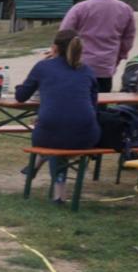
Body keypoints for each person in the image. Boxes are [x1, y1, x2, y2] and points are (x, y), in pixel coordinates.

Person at [15, 30, 112, 204]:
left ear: (54, 47)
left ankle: (57, 190)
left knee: (54, 136)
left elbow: (21, 96)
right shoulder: (88, 71)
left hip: (49, 134)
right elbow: (92, 104)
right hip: (87, 135)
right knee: (62, 132)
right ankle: (50, 182)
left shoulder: (43, 67)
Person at [59, 0, 138, 94]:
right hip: (106, 66)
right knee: (101, 104)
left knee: (77, 102)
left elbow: (64, 33)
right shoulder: (125, 9)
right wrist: (120, 56)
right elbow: (128, 38)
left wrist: (62, 56)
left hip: (79, 63)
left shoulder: (80, 8)